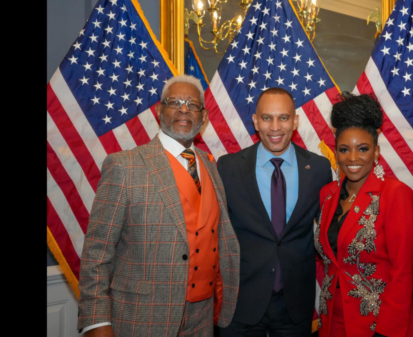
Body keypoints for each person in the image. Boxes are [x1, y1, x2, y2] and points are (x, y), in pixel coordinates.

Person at [77, 75, 240, 337]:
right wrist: (96, 323)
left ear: (204, 116)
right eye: (174, 102)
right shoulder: (124, 166)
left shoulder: (211, 167)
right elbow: (96, 253)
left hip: (203, 318)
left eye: (192, 104)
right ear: (158, 110)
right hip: (142, 317)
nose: (184, 109)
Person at [217, 87, 332, 336]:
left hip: (295, 304)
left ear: (295, 121)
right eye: (267, 118)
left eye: (283, 117)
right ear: (256, 121)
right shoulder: (228, 167)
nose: (275, 127)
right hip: (241, 301)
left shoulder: (320, 169)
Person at [314, 92, 413, 337]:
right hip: (332, 318)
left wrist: (386, 331)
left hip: (378, 322)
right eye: (344, 149)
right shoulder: (327, 194)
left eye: (362, 149)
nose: (353, 158)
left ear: (376, 152)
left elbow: (402, 271)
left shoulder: (396, 194)